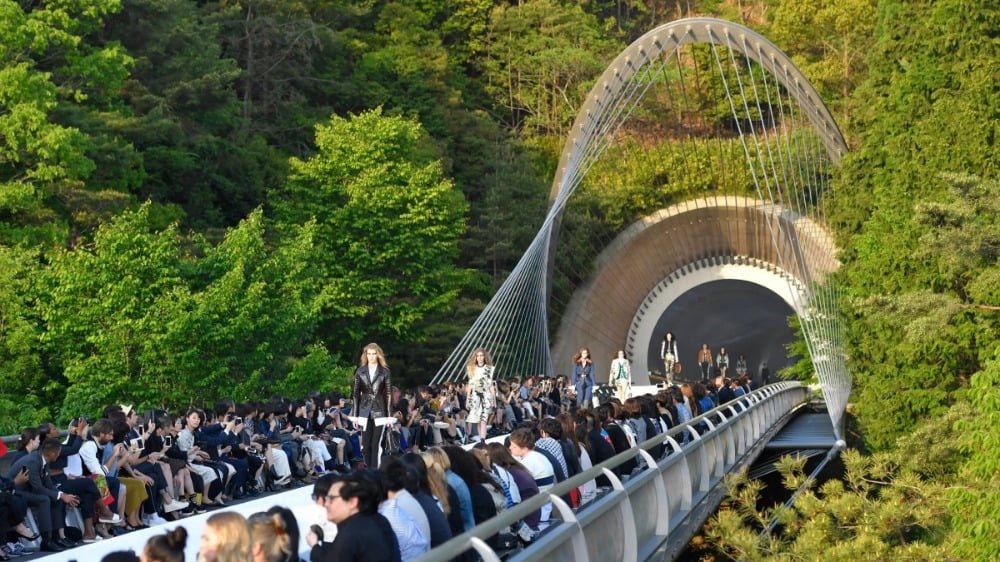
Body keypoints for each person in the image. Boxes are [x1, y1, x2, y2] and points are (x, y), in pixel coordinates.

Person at [310, 473, 401, 562]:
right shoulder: (378, 518)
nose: (325, 504)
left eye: (331, 499)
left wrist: (314, 546)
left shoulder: (351, 533)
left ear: (352, 502)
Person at [352, 343, 392, 469]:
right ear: (365, 355)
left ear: (378, 354)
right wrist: (355, 416)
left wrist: (389, 416)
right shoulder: (360, 371)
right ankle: (369, 469)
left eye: (373, 353)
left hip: (380, 410)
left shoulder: (385, 371)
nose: (371, 356)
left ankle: (373, 471)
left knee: (375, 444)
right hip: (364, 410)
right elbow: (355, 394)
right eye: (368, 353)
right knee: (366, 444)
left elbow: (389, 394)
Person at [466, 348, 497, 442]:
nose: (480, 358)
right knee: (478, 420)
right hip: (475, 396)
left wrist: (494, 399)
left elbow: (490, 385)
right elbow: (470, 385)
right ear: (475, 357)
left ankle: (483, 440)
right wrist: (468, 399)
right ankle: (481, 439)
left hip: (486, 396)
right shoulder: (471, 368)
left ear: (484, 357)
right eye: (478, 356)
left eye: (481, 355)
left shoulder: (489, 369)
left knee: (483, 419)